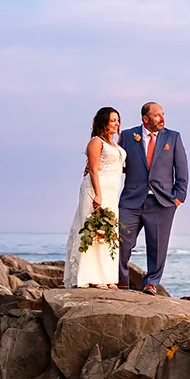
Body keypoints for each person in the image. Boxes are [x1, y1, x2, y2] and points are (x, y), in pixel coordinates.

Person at [119, 100, 188, 293]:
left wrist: (178, 197)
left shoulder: (173, 137)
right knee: (122, 241)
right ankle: (121, 281)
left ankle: (151, 283)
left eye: (163, 114)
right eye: (157, 115)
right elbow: (117, 162)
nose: (162, 118)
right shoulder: (127, 136)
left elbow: (182, 168)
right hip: (131, 200)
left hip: (162, 201)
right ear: (145, 118)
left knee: (158, 247)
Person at [62, 107, 125, 288]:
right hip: (96, 190)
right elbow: (94, 169)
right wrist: (98, 194)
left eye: (118, 120)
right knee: (92, 231)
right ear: (103, 122)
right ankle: (91, 277)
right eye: (113, 120)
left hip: (112, 192)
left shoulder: (115, 145)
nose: (116, 124)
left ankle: (106, 276)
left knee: (108, 233)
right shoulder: (96, 142)